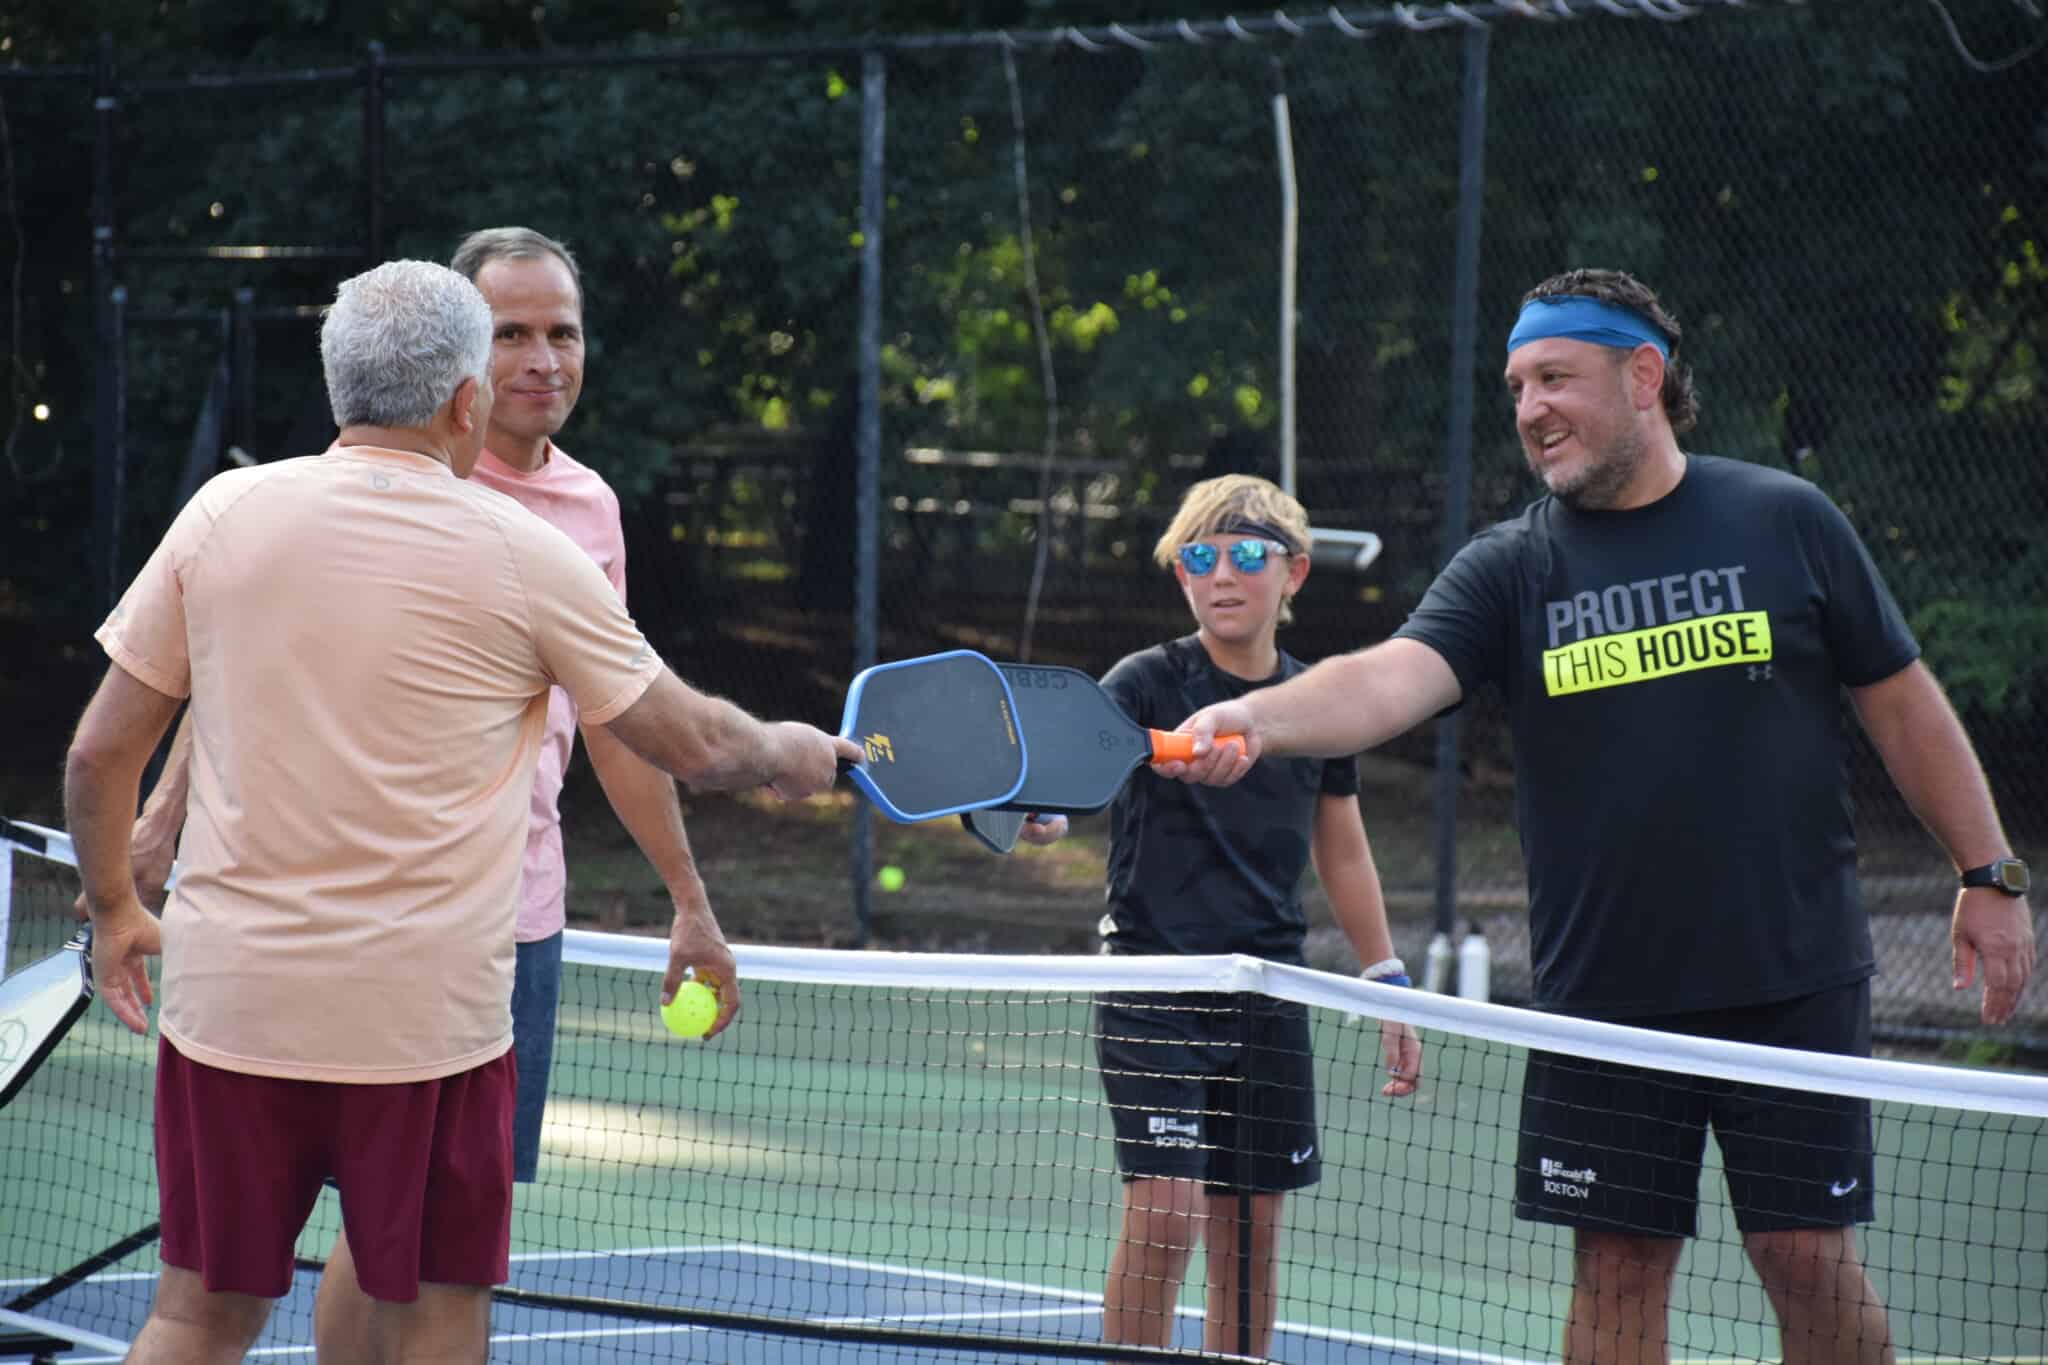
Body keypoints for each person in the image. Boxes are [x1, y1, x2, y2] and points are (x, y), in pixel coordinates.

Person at [1164, 270, 2036, 1365]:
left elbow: (1901, 702)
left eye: (1553, 378)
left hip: (1793, 973)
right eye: (1515, 385)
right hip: (1599, 999)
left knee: (1802, 1254)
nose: (1528, 408)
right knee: (1616, 1270)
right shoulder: (1509, 567)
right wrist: (1256, 713)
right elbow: (1386, 679)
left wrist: (1986, 871)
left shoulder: (1783, 520)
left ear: (1641, 377)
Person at [64, 259, 860, 1365]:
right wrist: (800, 753)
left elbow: (102, 752)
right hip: (430, 1028)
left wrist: (114, 904)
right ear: (462, 400)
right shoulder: (530, 554)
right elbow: (697, 743)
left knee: (196, 1316)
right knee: (437, 1315)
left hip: (233, 1008)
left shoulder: (221, 515)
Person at [1080, 474, 1422, 1357]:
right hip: (1153, 979)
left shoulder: (1315, 706)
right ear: (1181, 577)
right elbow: (1072, 783)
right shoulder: (1146, 682)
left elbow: (1341, 847)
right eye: (1199, 556)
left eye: (1245, 555)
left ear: (1294, 573)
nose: (1221, 573)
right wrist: (1038, 816)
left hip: (1267, 987)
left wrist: (1386, 978)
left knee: (1251, 1226)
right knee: (1166, 1210)